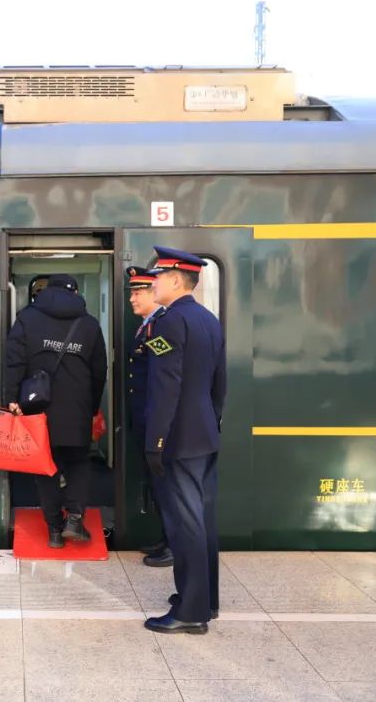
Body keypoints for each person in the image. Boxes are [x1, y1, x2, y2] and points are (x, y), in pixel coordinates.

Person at [142, 247, 226, 635]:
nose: (153, 282)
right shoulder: (207, 319)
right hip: (204, 433)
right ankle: (204, 599)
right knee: (203, 522)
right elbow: (219, 384)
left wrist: (156, 440)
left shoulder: (171, 322)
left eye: (157, 276)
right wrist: (212, 423)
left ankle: (191, 613)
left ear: (177, 279)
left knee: (186, 525)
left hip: (178, 437)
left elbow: (166, 389)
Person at [4, 273, 108, 548]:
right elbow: (100, 372)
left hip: (37, 407)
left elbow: (13, 362)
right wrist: (93, 406)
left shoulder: (27, 318)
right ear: (75, 292)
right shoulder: (89, 324)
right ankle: (74, 519)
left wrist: (12, 398)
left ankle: (54, 531)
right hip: (77, 407)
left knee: (45, 468)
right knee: (77, 463)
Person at [125, 266, 172, 567]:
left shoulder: (160, 327)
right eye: (131, 292)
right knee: (156, 483)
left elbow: (164, 377)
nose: (132, 299)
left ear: (154, 293)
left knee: (166, 484)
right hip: (145, 418)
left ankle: (173, 543)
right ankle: (165, 537)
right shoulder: (146, 326)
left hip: (156, 422)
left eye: (138, 292)